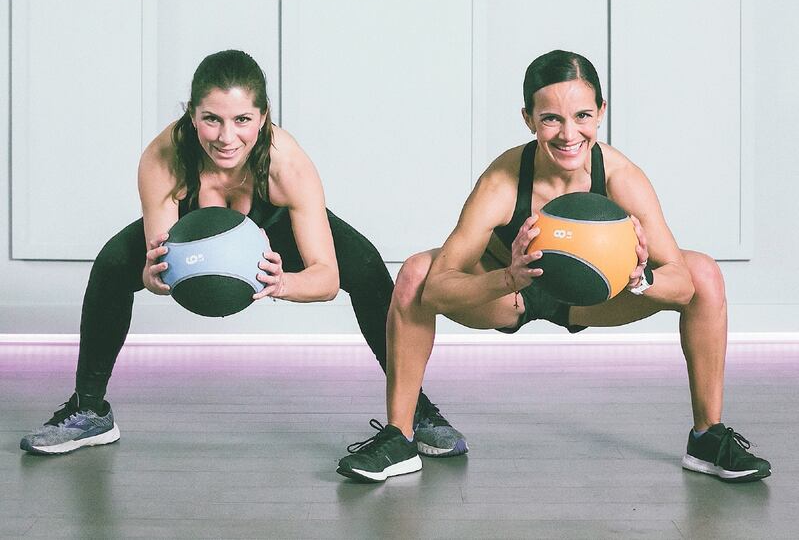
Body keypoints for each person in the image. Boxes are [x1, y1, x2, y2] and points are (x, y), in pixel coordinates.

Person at [336, 49, 771, 484]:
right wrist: (507, 276)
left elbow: (680, 284)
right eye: (551, 119)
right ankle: (400, 436)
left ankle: (707, 438)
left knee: (706, 273)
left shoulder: (622, 178)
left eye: (582, 115)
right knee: (415, 272)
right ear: (528, 119)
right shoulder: (503, 180)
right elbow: (437, 288)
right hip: (508, 294)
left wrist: (639, 278)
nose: (568, 134)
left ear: (601, 112)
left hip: (594, 298)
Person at [20, 49, 464, 455]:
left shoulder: (286, 165)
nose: (226, 137)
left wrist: (283, 282)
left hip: (275, 227)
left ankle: (415, 411)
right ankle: (90, 411)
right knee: (113, 264)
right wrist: (157, 277)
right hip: (197, 231)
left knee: (366, 269)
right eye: (211, 119)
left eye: (242, 120)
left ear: (264, 117)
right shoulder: (164, 159)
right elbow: (162, 267)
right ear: (191, 116)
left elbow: (327, 278)